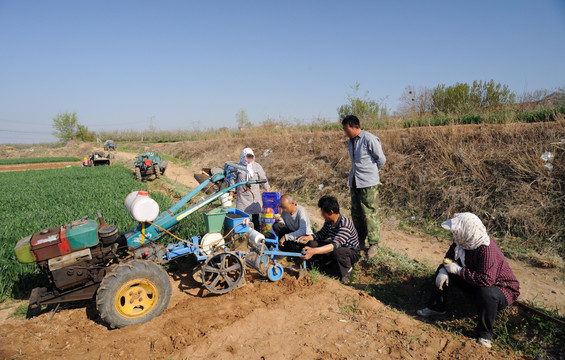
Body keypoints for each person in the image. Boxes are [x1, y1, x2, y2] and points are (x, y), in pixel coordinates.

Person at [417, 212, 520, 349]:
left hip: (500, 287)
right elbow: (448, 259)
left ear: (467, 231)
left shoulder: (486, 249)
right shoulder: (461, 242)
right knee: (443, 269)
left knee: (486, 293)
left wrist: (459, 271)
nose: (454, 234)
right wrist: (444, 270)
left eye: (456, 231)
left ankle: (484, 334)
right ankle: (436, 307)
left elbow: (486, 280)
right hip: (475, 280)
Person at [342, 115, 386, 258]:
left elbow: (381, 159)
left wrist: (372, 174)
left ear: (355, 127)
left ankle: (373, 244)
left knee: (370, 212)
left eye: (346, 129)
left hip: (368, 182)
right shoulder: (350, 141)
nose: (345, 132)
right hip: (355, 181)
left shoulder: (369, 139)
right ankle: (360, 240)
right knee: (356, 213)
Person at [298, 195, 360, 283]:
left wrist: (313, 251)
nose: (321, 214)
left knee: (338, 252)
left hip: (350, 252)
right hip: (336, 247)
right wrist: (310, 237)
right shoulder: (329, 221)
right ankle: (318, 267)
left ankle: (347, 273)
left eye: (322, 212)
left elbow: (334, 246)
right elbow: (322, 234)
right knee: (312, 243)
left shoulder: (345, 224)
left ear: (330, 212)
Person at [229, 147, 270, 230]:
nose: (250, 159)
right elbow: (232, 180)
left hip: (254, 196)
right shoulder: (238, 167)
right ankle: (243, 234)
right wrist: (231, 192)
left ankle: (256, 233)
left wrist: (267, 190)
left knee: (255, 217)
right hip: (242, 196)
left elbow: (263, 178)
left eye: (251, 157)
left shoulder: (257, 166)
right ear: (243, 157)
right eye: (248, 157)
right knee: (242, 217)